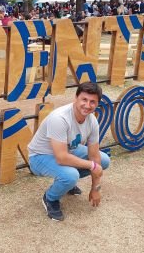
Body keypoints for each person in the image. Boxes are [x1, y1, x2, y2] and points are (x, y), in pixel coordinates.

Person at [28, 82, 110, 221]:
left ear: (97, 104)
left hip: (68, 151)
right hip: (40, 156)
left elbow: (94, 156)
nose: (87, 105)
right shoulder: (60, 118)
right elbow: (61, 157)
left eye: (92, 102)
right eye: (84, 99)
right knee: (71, 175)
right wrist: (92, 166)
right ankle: (50, 198)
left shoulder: (92, 121)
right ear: (76, 98)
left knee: (104, 160)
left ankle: (66, 184)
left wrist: (96, 188)